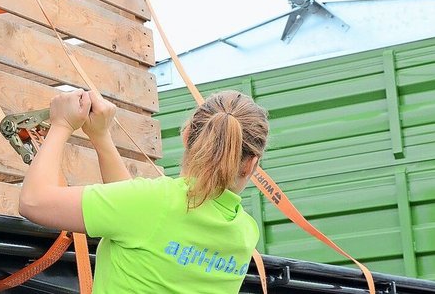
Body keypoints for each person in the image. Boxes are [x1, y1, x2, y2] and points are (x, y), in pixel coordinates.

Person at [18, 89, 269, 293]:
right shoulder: (245, 233)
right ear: (251, 165)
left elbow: (34, 201)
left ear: (186, 135)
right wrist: (101, 137)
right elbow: (133, 215)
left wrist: (61, 124)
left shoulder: (156, 203)